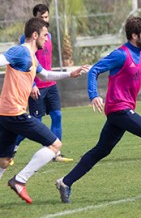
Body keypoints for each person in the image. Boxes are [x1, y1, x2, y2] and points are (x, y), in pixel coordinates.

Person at [55, 16, 141, 203]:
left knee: (101, 150)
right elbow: (94, 70)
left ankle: (65, 182)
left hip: (124, 110)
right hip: (118, 108)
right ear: (134, 35)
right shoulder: (121, 54)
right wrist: (94, 95)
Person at [0, 17, 89, 204]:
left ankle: (17, 179)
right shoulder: (21, 52)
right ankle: (19, 180)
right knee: (55, 145)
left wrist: (69, 74)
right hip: (15, 114)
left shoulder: (31, 57)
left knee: (4, 160)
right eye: (45, 35)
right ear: (35, 35)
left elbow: (45, 74)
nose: (47, 39)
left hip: (6, 115)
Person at [12, 4, 73, 164]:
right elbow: (25, 64)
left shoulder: (49, 36)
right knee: (34, 123)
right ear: (35, 19)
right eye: (42, 18)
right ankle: (12, 149)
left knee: (57, 116)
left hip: (50, 85)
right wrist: (31, 84)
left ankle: (56, 153)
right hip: (36, 86)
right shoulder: (26, 40)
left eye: (47, 17)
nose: (45, 20)